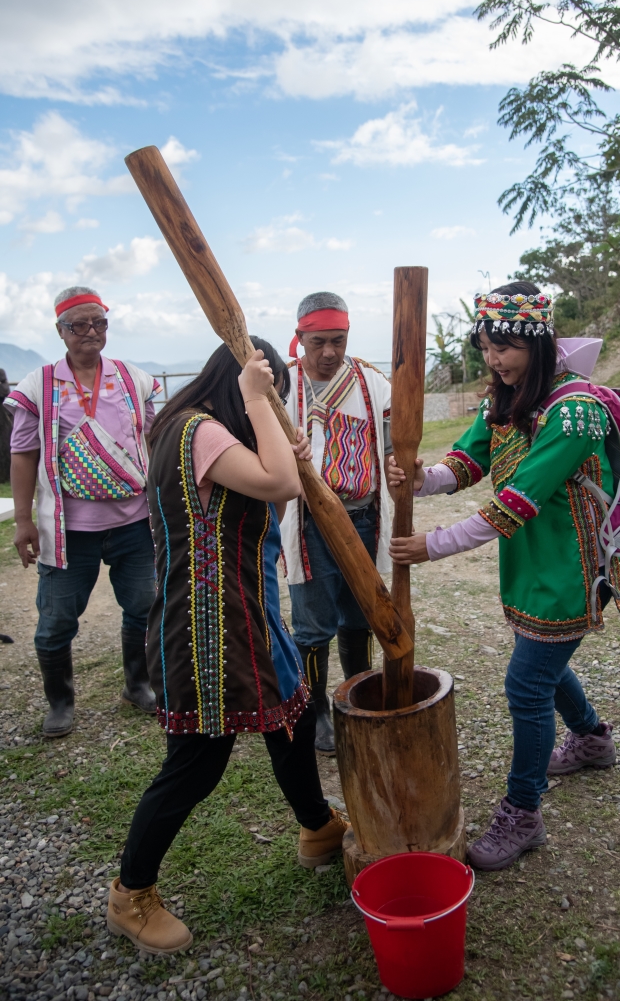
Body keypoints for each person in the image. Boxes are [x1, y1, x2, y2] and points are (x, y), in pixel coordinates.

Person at [106, 341, 348, 955]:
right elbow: (281, 482)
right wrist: (256, 401)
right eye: (272, 396)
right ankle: (129, 894)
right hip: (205, 628)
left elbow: (274, 484)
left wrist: (273, 437)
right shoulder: (199, 430)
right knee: (196, 764)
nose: (271, 407)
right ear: (241, 385)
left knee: (291, 719)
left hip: (244, 614)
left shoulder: (197, 429)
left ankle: (317, 828)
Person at [389, 283, 620, 872]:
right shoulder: (505, 396)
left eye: (507, 347)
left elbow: (516, 502)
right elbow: (468, 461)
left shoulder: (575, 411)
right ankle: (592, 739)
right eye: (488, 346)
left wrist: (432, 545)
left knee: (526, 683)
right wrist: (423, 478)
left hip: (569, 566)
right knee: (541, 662)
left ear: (538, 342)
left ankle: (524, 812)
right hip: (530, 563)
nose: (495, 359)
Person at [6, 287, 162, 737]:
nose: (91, 332)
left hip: (133, 521)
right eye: (79, 325)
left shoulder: (133, 378)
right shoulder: (39, 385)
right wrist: (22, 520)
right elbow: (22, 454)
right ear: (60, 331)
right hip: (69, 528)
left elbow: (150, 440)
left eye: (99, 323)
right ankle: (60, 702)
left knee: (142, 605)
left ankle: (138, 684)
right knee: (56, 621)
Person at [281, 292, 392, 753]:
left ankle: (357, 696)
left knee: (360, 614)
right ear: (300, 338)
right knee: (312, 625)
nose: (329, 352)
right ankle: (316, 713)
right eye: (318, 342)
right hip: (309, 525)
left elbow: (388, 443)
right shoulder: (282, 387)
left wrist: (397, 461)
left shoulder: (370, 381)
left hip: (362, 516)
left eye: (338, 341)